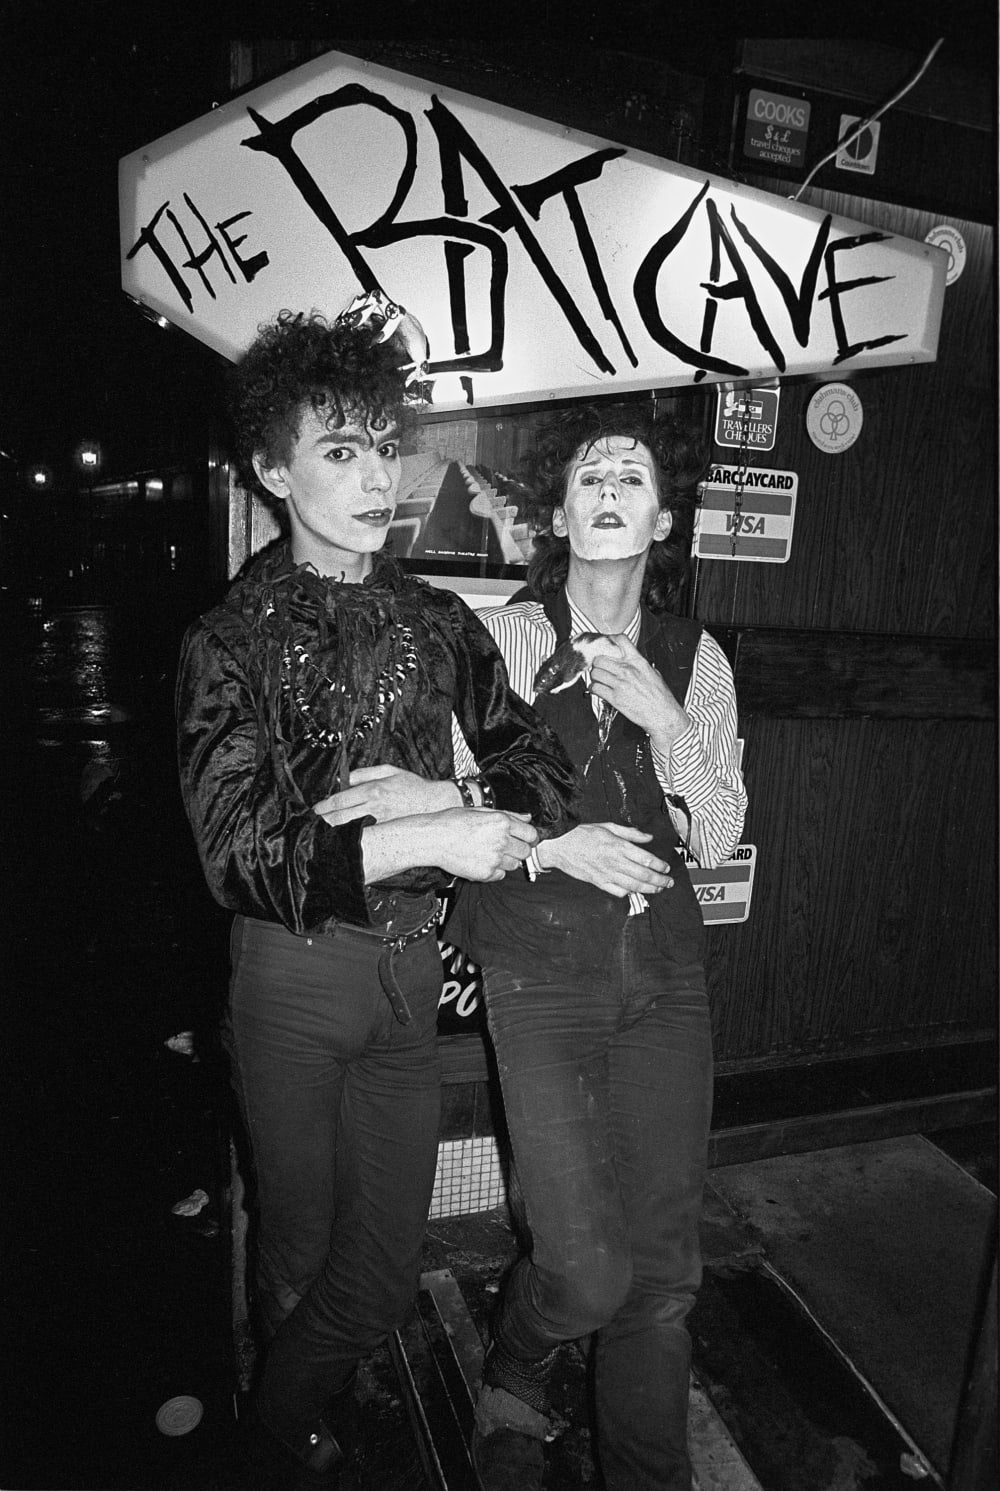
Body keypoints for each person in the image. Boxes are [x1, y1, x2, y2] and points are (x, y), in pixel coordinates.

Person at [175, 304, 578, 1490]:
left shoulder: (441, 619)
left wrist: (449, 787)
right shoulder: (228, 639)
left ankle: (273, 1410)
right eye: (336, 452)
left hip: (408, 984)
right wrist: (426, 835)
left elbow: (539, 775)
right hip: (292, 977)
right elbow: (235, 853)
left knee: (386, 1256)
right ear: (270, 468)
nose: (374, 478)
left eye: (381, 447)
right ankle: (296, 1419)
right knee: (296, 1248)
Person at [447, 402, 748, 1490]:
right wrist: (555, 847)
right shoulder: (503, 639)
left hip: (664, 980)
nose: (610, 489)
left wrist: (666, 717)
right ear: (561, 516)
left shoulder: (693, 654)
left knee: (663, 1275)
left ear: (661, 518)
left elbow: (719, 833)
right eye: (589, 478)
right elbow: (452, 805)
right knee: (581, 1271)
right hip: (539, 972)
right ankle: (517, 1359)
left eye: (631, 477)